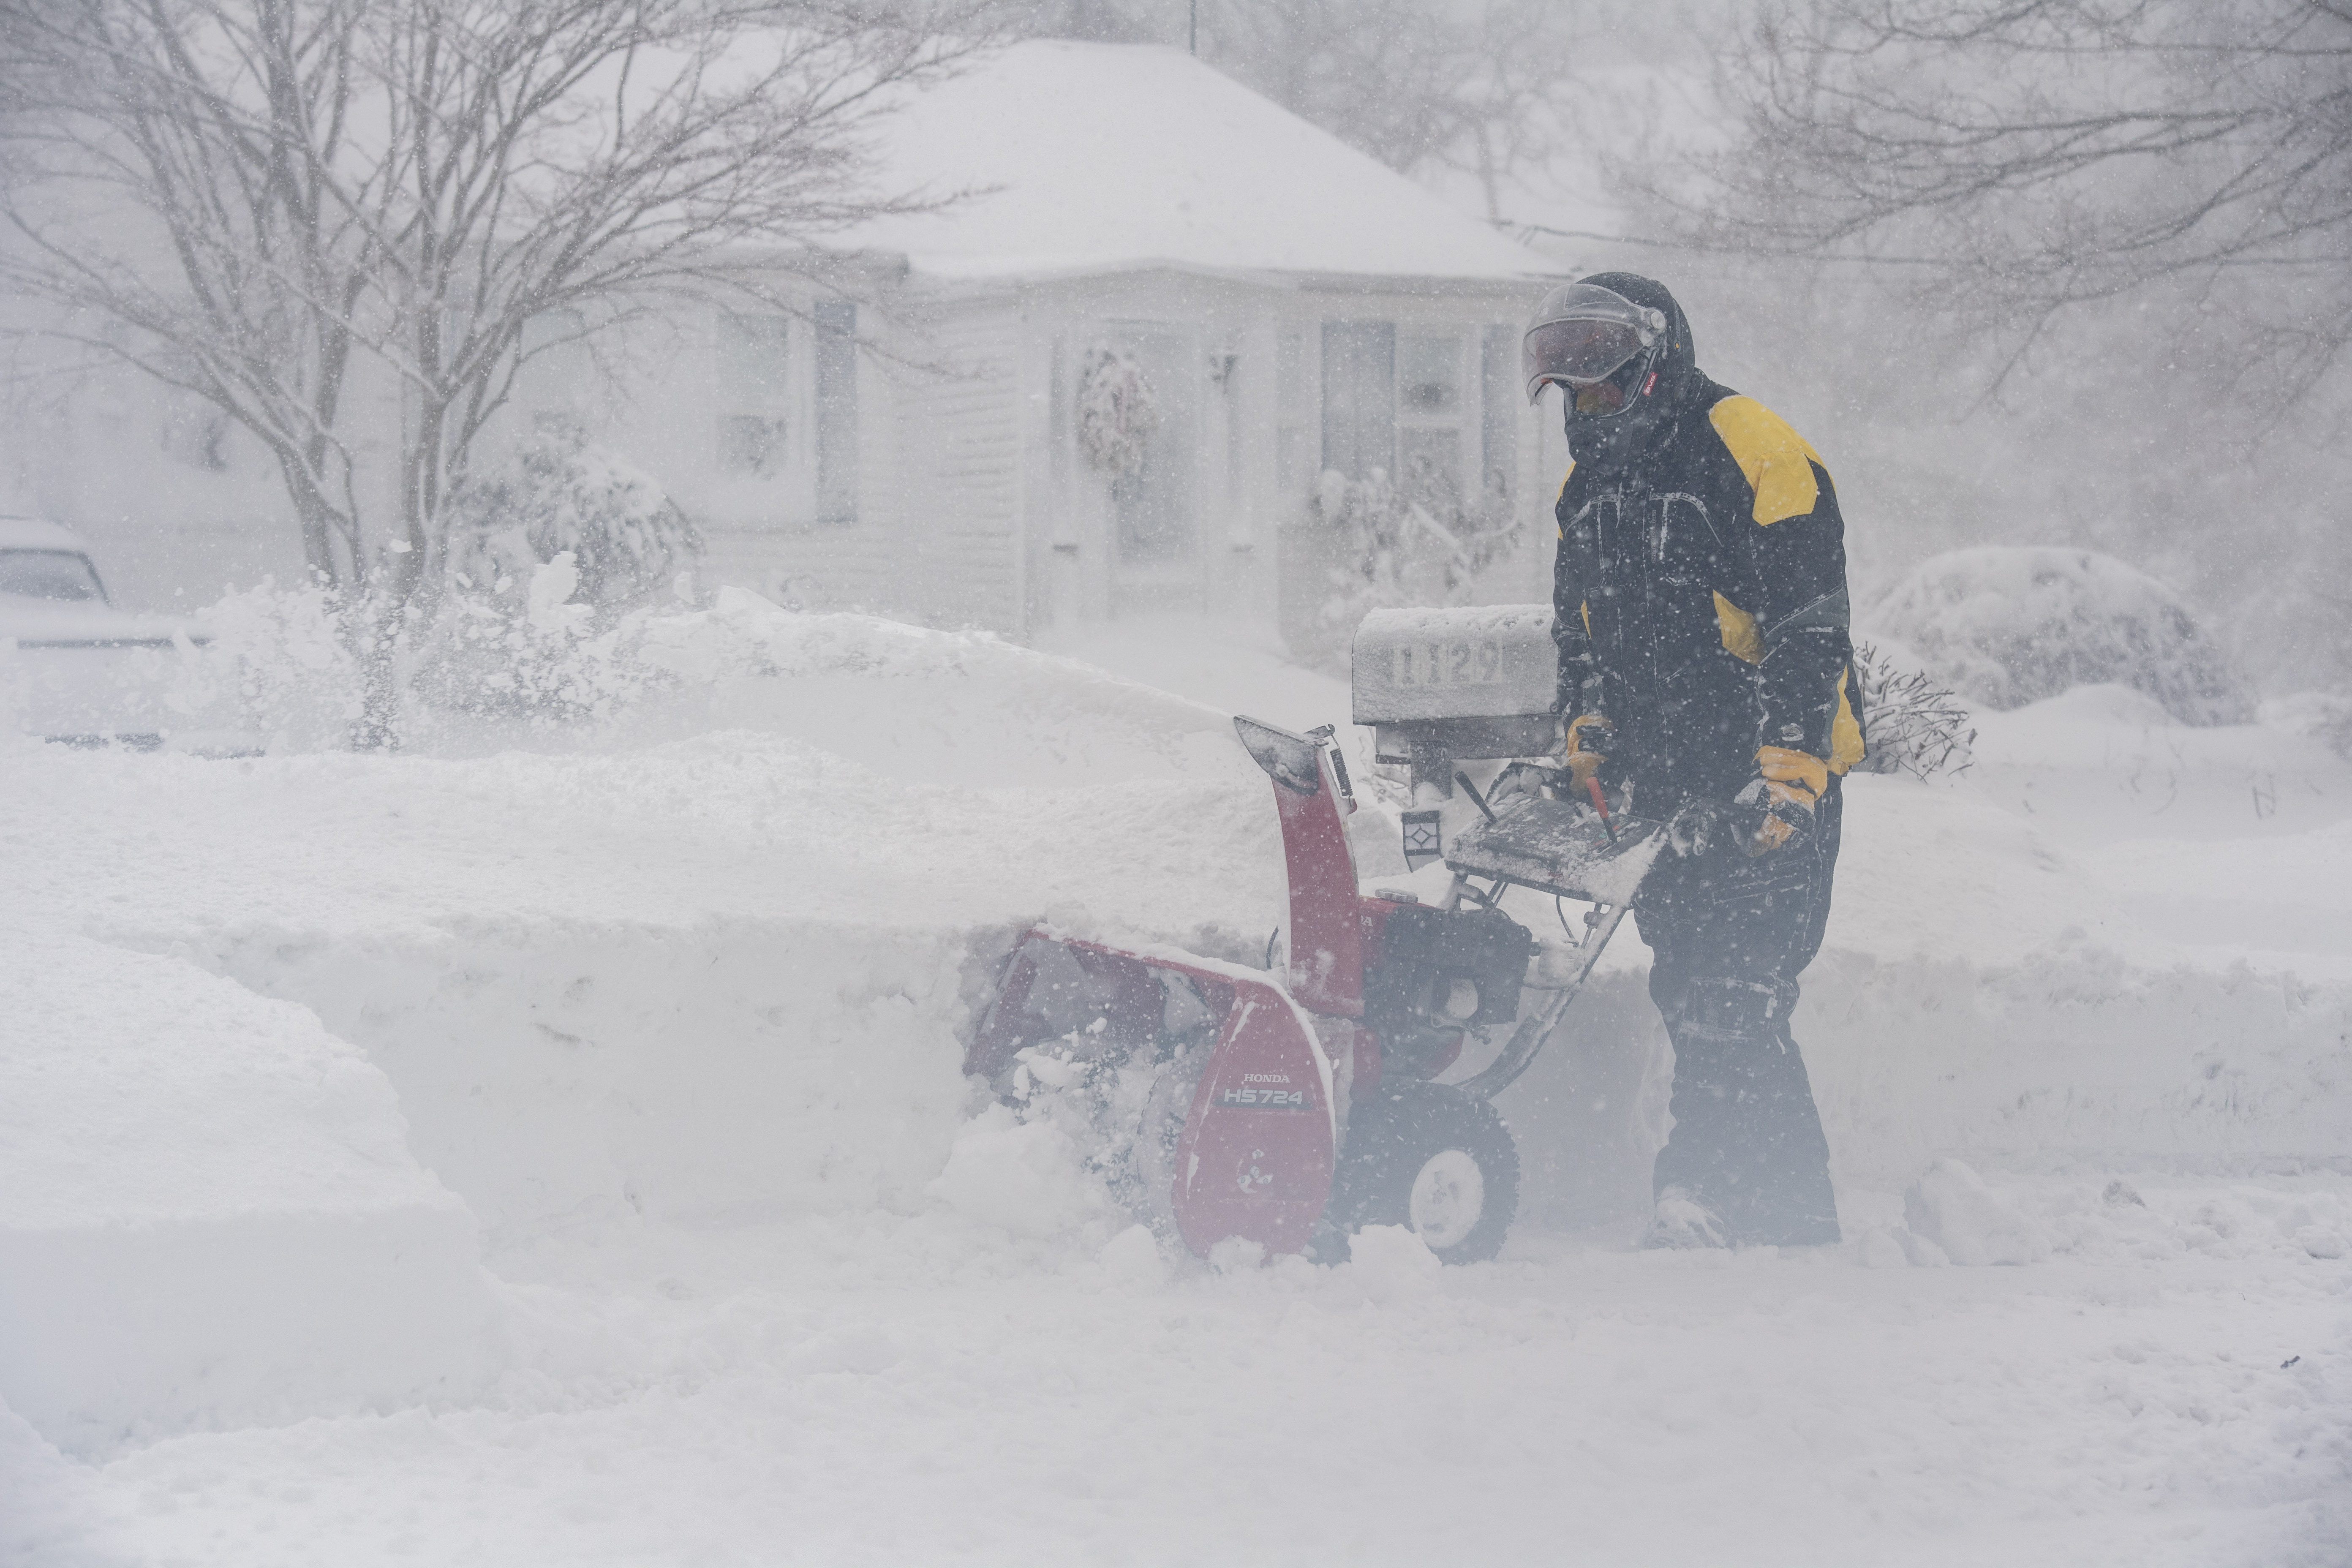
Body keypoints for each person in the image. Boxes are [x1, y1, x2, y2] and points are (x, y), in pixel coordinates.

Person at [1521, 272, 1864, 1248]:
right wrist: (1588, 724)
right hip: (1669, 779)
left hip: (1768, 773)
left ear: (1655, 360)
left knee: (1739, 991)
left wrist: (1791, 770)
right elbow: (1579, 628)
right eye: (1572, 392)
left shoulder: (1752, 447)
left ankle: (1732, 1201)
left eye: (1603, 383)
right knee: (1692, 983)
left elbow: (1809, 623)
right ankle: (1766, 1206)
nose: (1588, 407)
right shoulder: (1587, 488)